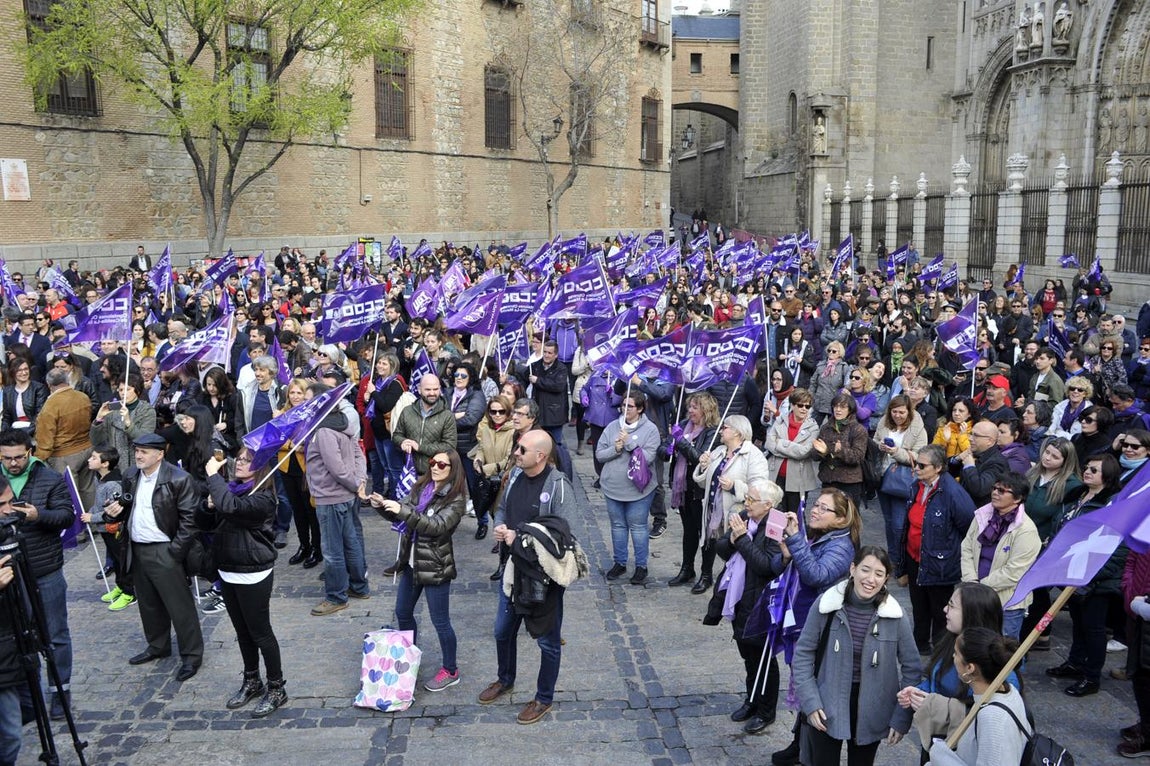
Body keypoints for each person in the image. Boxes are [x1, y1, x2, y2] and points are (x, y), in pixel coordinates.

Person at [479, 430, 578, 726]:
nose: (516, 452)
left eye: (522, 449)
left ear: (541, 456)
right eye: (517, 447)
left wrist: (520, 537)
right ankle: (505, 679)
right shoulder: (516, 477)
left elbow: (564, 536)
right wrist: (500, 527)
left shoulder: (558, 485)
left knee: (547, 642)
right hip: (513, 571)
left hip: (542, 578)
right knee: (502, 632)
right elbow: (502, 510)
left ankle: (543, 698)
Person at [791, 546, 920, 766]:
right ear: (853, 569)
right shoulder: (826, 605)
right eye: (865, 570)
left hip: (873, 710)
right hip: (826, 704)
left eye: (878, 574)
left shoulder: (895, 616)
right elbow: (803, 655)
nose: (870, 579)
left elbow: (912, 669)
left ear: (886, 579)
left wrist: (901, 717)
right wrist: (811, 703)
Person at [102, 432, 205, 683]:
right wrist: (113, 513)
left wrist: (175, 552)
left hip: (165, 549)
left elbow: (190, 521)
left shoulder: (179, 478)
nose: (138, 455)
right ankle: (158, 645)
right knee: (148, 604)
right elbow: (126, 511)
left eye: (144, 452)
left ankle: (192, 655)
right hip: (137, 547)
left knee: (179, 606)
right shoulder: (131, 475)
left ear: (160, 454)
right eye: (137, 451)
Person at [768, 487, 860, 766]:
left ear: (841, 519)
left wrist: (797, 541)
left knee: (812, 684)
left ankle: (807, 751)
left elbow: (816, 575)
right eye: (815, 505)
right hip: (803, 620)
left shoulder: (842, 546)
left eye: (823, 508)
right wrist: (787, 554)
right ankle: (799, 744)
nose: (815, 511)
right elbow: (782, 567)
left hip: (824, 628)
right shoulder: (820, 536)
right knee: (804, 682)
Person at [366, 449, 465, 692]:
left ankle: (451, 670)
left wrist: (402, 511)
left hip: (435, 566)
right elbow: (401, 514)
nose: (435, 467)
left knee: (440, 621)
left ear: (452, 470)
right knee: (403, 612)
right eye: (433, 462)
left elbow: (436, 526)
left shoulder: (456, 499)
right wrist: (381, 505)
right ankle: (408, 656)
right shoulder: (422, 487)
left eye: (442, 465)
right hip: (412, 563)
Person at [198, 447, 286, 717]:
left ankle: (276, 688)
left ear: (261, 467)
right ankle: (252, 680)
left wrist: (213, 477)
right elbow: (204, 521)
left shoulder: (263, 498)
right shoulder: (230, 491)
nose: (240, 463)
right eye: (239, 458)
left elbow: (231, 508)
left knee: (260, 632)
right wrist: (208, 506)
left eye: (248, 460)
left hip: (253, 571)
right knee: (242, 631)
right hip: (228, 568)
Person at [898, 582, 1020, 764]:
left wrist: (934, 704)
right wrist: (918, 692)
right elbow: (934, 678)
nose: (945, 609)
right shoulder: (953, 641)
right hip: (939, 739)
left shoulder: (999, 672)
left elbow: (985, 717)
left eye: (952, 606)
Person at [0, 429, 76, 719]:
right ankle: (27, 696)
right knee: (18, 635)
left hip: (44, 568)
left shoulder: (49, 478)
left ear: (29, 452)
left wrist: (38, 515)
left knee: (56, 634)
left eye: (19, 457)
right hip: (8, 572)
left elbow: (67, 516)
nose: (13, 463)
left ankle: (60, 691)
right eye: (7, 458)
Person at [1047, 452, 1126, 696]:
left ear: (1108, 475)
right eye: (1086, 467)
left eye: (1094, 470)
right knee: (1079, 624)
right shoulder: (1078, 495)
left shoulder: (1113, 504)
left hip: (1096, 579)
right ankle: (1075, 662)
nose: (1087, 472)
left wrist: (1092, 572)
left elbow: (1118, 548)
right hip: (1073, 572)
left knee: (1093, 628)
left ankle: (1091, 677)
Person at [713, 479, 786, 734]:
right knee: (748, 656)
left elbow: (766, 565)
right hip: (740, 597)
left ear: (768, 505)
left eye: (752, 500)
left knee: (763, 659)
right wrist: (733, 540)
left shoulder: (777, 525)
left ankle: (766, 711)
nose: (746, 503)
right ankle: (752, 700)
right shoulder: (746, 516)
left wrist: (742, 539)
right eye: (747, 498)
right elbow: (721, 548)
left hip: (762, 602)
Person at [305, 382, 370, 616]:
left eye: (309, 400)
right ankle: (359, 587)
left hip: (331, 497)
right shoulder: (343, 423)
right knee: (350, 543)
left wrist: (356, 484)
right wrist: (359, 482)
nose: (305, 404)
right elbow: (358, 456)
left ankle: (336, 596)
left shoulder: (323, 430)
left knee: (332, 551)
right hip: (345, 495)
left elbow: (337, 468)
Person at [904, 445, 976, 654]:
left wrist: (950, 551)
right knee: (919, 606)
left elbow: (969, 526)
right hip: (915, 558)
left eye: (922, 465)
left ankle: (941, 652)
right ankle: (919, 645)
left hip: (940, 564)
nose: (916, 468)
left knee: (940, 611)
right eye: (916, 463)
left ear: (937, 468)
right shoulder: (917, 486)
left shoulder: (953, 493)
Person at [926, 628, 1030, 766]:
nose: (953, 657)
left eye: (956, 653)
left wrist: (940, 755)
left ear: (970, 668)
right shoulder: (1007, 692)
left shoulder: (992, 717)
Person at [692, 415, 770, 595]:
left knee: (732, 546)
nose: (721, 431)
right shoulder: (719, 451)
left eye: (725, 427)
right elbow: (703, 483)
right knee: (709, 541)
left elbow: (760, 487)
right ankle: (706, 575)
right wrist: (704, 467)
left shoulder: (754, 456)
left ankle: (732, 581)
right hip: (713, 507)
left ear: (737, 432)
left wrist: (735, 486)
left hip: (736, 511)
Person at [959, 472, 1041, 638]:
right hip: (975, 596)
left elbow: (1014, 572)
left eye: (1002, 491)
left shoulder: (1026, 530)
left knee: (1002, 649)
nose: (995, 493)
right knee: (973, 644)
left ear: (1018, 498)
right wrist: (971, 581)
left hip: (1006, 604)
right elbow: (967, 547)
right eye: (994, 488)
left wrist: (980, 587)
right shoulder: (983, 515)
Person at [1021, 437, 1081, 646]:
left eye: (1055, 456)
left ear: (1066, 461)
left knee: (1038, 590)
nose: (1047, 458)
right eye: (1047, 452)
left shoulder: (1071, 485)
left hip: (1046, 544)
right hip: (1023, 539)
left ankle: (1041, 633)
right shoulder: (1032, 474)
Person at [597, 391, 661, 585]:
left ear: (640, 409)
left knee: (638, 527)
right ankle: (620, 562)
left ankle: (641, 566)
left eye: (630, 406)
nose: (625, 409)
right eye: (623, 405)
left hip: (638, 490)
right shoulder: (612, 427)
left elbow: (648, 457)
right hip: (613, 487)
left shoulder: (650, 429)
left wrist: (629, 443)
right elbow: (600, 454)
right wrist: (616, 449)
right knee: (617, 526)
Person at [667, 392, 720, 587]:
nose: (690, 411)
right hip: (683, 488)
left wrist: (680, 441)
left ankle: (706, 574)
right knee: (688, 530)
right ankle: (687, 569)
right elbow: (668, 449)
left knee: (705, 533)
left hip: (700, 490)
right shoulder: (683, 424)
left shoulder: (712, 432)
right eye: (689, 407)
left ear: (706, 410)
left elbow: (699, 458)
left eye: (695, 407)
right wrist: (668, 447)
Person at [874, 394, 929, 575]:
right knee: (888, 521)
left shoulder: (917, 427)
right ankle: (892, 558)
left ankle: (899, 561)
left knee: (899, 524)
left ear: (909, 412)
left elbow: (919, 455)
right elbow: (875, 440)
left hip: (902, 480)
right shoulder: (884, 421)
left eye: (901, 412)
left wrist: (896, 452)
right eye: (894, 412)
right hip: (883, 476)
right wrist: (880, 446)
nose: (897, 415)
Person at [33, 368, 95, 510]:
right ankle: (91, 521)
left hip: (64, 456)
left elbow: (45, 440)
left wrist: (38, 459)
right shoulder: (83, 397)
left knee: (69, 496)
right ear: (67, 380)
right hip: (87, 449)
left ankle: (74, 524)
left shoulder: (51, 405)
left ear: (49, 385)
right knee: (88, 491)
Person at [764, 387, 820, 517]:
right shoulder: (780, 420)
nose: (804, 409)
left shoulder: (813, 427)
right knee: (775, 516)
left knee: (795, 517)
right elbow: (769, 444)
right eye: (800, 405)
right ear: (792, 405)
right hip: (776, 476)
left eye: (807, 406)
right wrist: (792, 449)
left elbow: (803, 452)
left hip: (798, 480)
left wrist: (780, 443)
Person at [469, 394, 515, 539]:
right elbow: (482, 449)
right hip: (489, 481)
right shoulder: (486, 430)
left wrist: (487, 468)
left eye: (501, 411)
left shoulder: (513, 432)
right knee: (491, 511)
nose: (497, 415)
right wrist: (478, 460)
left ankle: (503, 543)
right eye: (493, 411)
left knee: (502, 514)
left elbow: (509, 460)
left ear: (508, 412)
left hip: (504, 480)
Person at [392, 374, 458, 476]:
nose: (432, 393)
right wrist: (402, 442)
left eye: (435, 389)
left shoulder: (447, 415)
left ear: (440, 389)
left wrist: (420, 447)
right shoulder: (407, 411)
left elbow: (449, 446)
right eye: (428, 389)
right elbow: (396, 435)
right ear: (419, 389)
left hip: (436, 473)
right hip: (410, 472)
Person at [812, 394, 869, 506]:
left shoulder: (858, 429)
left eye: (842, 407)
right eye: (835, 406)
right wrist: (821, 452)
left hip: (849, 482)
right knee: (826, 513)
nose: (838, 410)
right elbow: (814, 455)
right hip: (828, 480)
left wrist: (840, 451)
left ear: (850, 410)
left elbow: (858, 457)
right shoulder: (826, 427)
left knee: (848, 515)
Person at [957, 420, 1009, 508]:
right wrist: (956, 459)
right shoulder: (974, 452)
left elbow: (979, 489)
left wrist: (969, 466)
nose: (970, 438)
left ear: (990, 441)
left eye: (976, 435)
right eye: (970, 434)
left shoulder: (998, 463)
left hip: (977, 511)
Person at [0, 357, 48, 434]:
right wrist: (4, 434)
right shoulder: (7, 391)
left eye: (26, 369)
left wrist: (24, 432)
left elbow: (40, 415)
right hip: (14, 431)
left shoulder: (39, 388)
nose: (24, 373)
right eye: (19, 370)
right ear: (12, 372)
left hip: (34, 431)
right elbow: (7, 417)